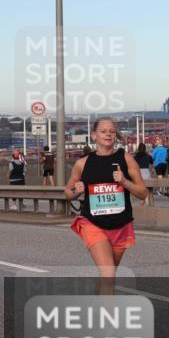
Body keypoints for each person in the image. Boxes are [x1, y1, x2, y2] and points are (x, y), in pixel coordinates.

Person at [63, 118, 148, 295]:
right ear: (94, 135)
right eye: (103, 131)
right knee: (108, 273)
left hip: (121, 225)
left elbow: (142, 193)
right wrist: (76, 191)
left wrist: (125, 181)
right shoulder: (82, 163)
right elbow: (68, 193)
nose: (108, 134)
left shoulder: (126, 159)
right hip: (92, 223)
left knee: (108, 275)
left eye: (111, 131)